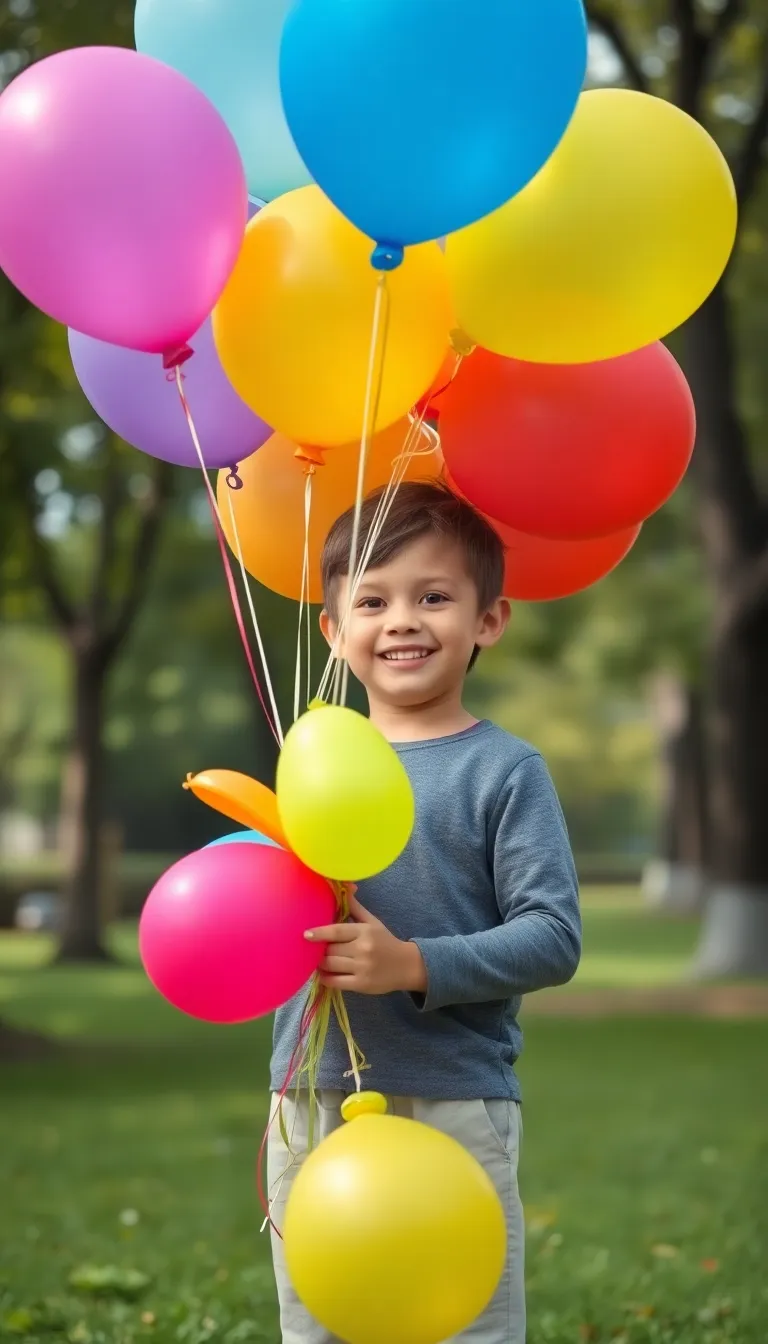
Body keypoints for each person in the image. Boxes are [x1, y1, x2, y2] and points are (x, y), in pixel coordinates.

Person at [269, 480, 581, 1343]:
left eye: (433, 596)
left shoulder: (506, 771)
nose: (402, 620)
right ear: (334, 629)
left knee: (465, 1317)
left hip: (453, 1093)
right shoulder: (311, 763)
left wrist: (414, 963)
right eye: (373, 600)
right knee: (320, 1316)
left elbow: (553, 938)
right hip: (312, 1087)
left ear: (489, 619)